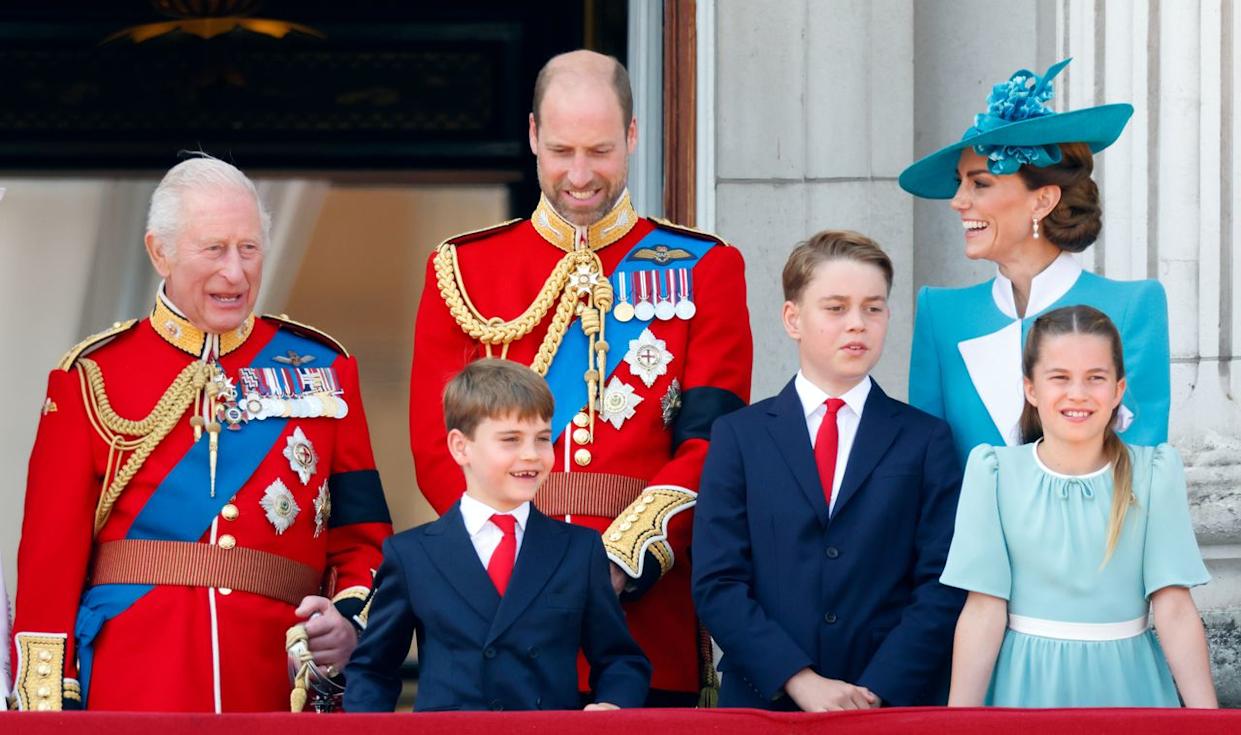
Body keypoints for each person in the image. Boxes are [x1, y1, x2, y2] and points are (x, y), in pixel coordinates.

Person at [409, 50, 752, 705]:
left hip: (643, 613)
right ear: (533, 134)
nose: (580, 175)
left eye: (599, 150)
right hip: (496, 611)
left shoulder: (705, 267)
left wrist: (621, 559)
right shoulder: (461, 269)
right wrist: (518, 559)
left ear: (631, 136)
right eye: (561, 149)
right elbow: (436, 445)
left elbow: (713, 444)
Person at [10, 155, 392, 712]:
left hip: (271, 690)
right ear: (158, 251)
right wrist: (50, 708)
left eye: (250, 249)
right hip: (131, 687)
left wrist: (349, 620)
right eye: (213, 249)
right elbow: (49, 568)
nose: (234, 273)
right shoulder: (91, 378)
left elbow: (363, 540)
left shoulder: (324, 370)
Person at [691, 231, 964, 711]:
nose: (857, 324)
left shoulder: (926, 440)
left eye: (873, 308)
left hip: (892, 703)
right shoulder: (739, 436)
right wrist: (798, 680)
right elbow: (718, 581)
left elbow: (941, 584)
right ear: (793, 318)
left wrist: (876, 690)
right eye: (836, 308)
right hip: (764, 702)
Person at [942, 305, 1215, 707]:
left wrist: (1208, 721)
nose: (1078, 394)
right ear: (1031, 389)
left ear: (1118, 389)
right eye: (1060, 378)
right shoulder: (994, 473)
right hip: (1025, 688)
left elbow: (1173, 607)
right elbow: (983, 611)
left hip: (1129, 686)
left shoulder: (1154, 472)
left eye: (1095, 378)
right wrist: (957, 722)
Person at [900, 59, 1169, 466]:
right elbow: (928, 473)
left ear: (1042, 200)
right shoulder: (940, 314)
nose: (958, 202)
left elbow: (1143, 469)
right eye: (960, 183)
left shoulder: (1133, 306)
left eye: (980, 183)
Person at [346, 359, 650, 712]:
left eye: (542, 439)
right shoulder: (411, 554)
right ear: (461, 447)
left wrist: (612, 705)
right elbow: (372, 671)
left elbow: (621, 660)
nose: (531, 455)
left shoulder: (579, 550)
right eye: (511, 440)